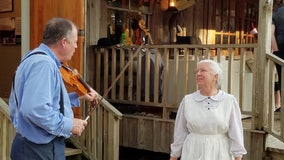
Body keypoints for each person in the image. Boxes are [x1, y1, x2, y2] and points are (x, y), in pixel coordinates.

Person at [9, 18, 98, 160]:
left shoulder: (33, 57)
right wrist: (69, 124)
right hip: (39, 149)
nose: (76, 47)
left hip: (31, 147)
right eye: (74, 42)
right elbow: (35, 109)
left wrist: (79, 97)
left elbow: (45, 101)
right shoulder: (44, 64)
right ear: (63, 42)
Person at [169, 59, 247, 160]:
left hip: (220, 151)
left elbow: (236, 132)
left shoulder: (229, 101)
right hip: (193, 151)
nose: (198, 74)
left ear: (215, 76)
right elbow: (180, 132)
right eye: (196, 71)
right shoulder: (188, 100)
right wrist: (174, 156)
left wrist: (238, 157)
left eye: (203, 70)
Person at [272, 0, 284, 112]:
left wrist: (276, 52)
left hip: (281, 49)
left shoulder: (275, 14)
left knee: (282, 78)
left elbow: (271, 34)